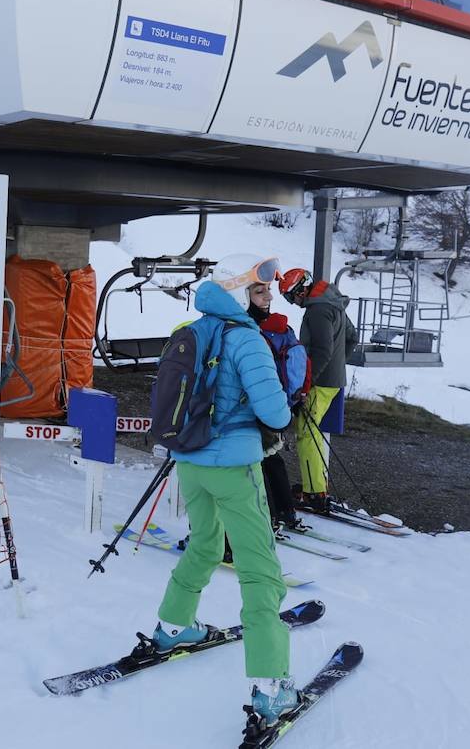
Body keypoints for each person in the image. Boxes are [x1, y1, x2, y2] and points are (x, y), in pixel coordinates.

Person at [146, 253, 299, 730]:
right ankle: (271, 688)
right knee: (260, 570)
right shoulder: (246, 340)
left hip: (190, 462)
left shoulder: (192, 331)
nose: (268, 297)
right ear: (237, 292)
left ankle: (173, 627)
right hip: (235, 466)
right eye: (259, 290)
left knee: (206, 544)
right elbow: (276, 414)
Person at [278, 267, 358, 512]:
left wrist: (306, 383)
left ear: (301, 289)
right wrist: (337, 365)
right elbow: (352, 338)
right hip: (332, 380)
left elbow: (322, 351)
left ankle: (314, 492)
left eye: (291, 297)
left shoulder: (318, 310)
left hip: (320, 382)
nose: (293, 302)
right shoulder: (332, 301)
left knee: (306, 432)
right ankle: (316, 486)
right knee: (311, 431)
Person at [243, 266, 309, 533]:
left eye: (267, 291)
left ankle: (268, 518)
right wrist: (298, 395)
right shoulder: (286, 330)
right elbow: (305, 362)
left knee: (256, 466)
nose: (268, 298)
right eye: (262, 291)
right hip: (283, 402)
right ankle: (287, 511)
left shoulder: (255, 335)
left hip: (259, 408)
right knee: (273, 459)